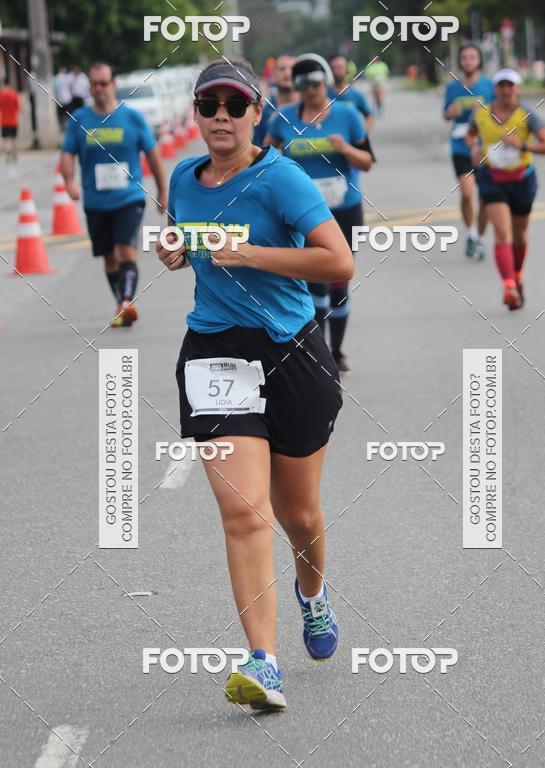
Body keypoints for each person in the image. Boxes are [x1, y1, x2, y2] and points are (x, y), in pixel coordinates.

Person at [157, 58, 353, 711]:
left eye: (232, 104)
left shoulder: (280, 179)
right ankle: (263, 663)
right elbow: (187, 236)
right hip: (216, 352)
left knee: (299, 515)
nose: (219, 115)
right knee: (244, 512)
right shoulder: (184, 176)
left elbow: (337, 260)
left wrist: (252, 255)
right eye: (207, 103)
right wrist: (176, 247)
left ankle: (313, 595)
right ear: (196, 112)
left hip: (291, 349)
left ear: (255, 112)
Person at [266, 54, 374, 374]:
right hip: (303, 213)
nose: (311, 90)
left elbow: (367, 161)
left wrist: (346, 150)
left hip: (344, 208)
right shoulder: (283, 118)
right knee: (314, 282)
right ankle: (320, 350)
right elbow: (264, 155)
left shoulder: (348, 115)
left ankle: (336, 350)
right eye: (303, 84)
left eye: (315, 82)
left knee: (339, 279)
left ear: (325, 81)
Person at [60, 61, 167, 326]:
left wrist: (163, 191)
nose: (98, 89)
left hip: (128, 198)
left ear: (113, 84)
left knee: (125, 251)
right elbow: (67, 154)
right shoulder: (80, 121)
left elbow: (153, 155)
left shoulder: (132, 118)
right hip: (96, 202)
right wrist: (69, 182)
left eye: (103, 83)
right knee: (109, 258)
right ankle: (121, 303)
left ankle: (126, 301)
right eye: (93, 84)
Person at [468, 68, 545, 310]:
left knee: (520, 235)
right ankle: (508, 286)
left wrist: (523, 145)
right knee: (502, 232)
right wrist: (475, 149)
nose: (506, 90)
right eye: (502, 85)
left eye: (511, 85)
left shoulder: (527, 114)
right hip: (491, 178)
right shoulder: (481, 113)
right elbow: (471, 134)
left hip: (522, 179)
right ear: (495, 88)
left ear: (518, 88)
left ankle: (517, 276)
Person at [443, 44, 493, 260]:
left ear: (479, 61)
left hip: (486, 147)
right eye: (464, 57)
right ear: (460, 62)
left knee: (485, 199)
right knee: (466, 191)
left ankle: (479, 238)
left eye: (472, 57)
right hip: (460, 145)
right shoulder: (452, 88)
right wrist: (451, 111)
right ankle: (471, 232)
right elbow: (446, 115)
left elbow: (500, 113)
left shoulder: (490, 86)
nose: (468, 61)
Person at [253, 54, 297, 147]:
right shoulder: (262, 113)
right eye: (282, 69)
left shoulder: (309, 110)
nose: (287, 73)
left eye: (292, 69)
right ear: (273, 75)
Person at [328, 54, 373, 130]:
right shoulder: (323, 94)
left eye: (340, 67)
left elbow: (369, 116)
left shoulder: (356, 95)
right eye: (334, 67)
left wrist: (362, 135)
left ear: (347, 69)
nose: (337, 70)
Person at [0, 78, 21, 166]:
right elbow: (18, 107)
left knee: (5, 139)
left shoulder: (1, 95)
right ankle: (14, 154)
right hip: (13, 120)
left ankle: (7, 154)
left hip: (4, 120)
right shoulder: (14, 94)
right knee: (14, 138)